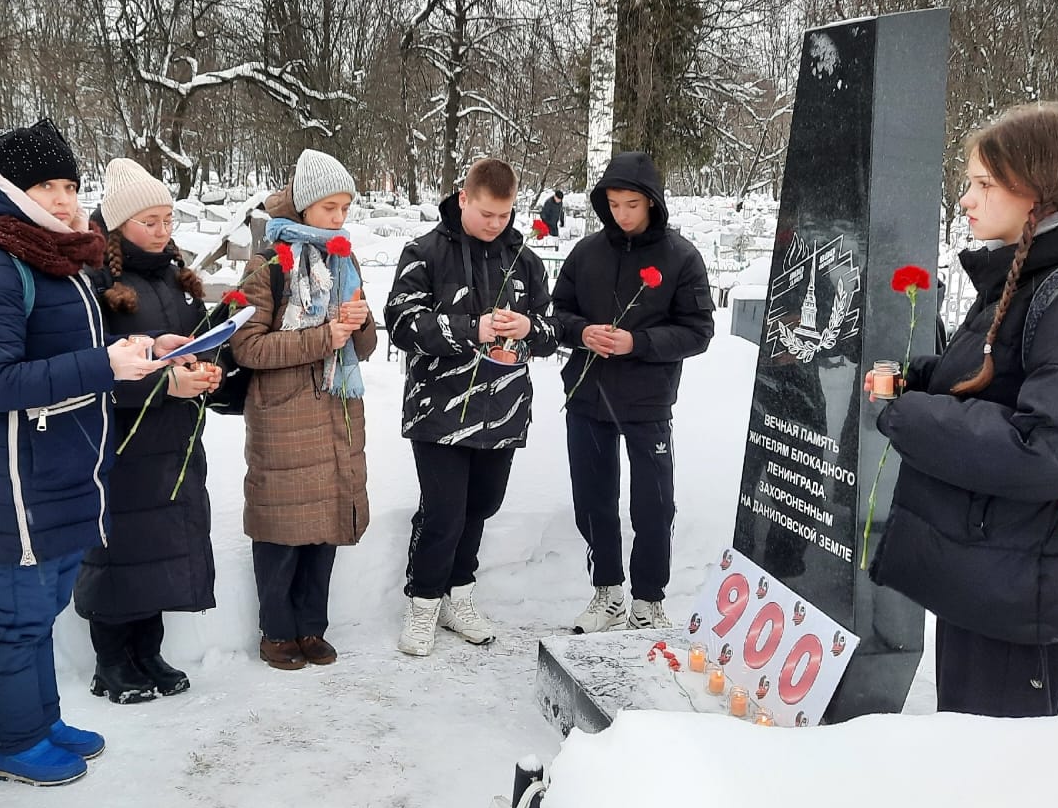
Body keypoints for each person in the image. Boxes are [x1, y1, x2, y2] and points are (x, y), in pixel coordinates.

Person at [867, 102, 1058, 718]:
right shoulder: (1016, 280)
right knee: (970, 743)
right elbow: (994, 380)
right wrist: (916, 382)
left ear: (1034, 192)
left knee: (997, 770)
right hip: (993, 564)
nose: (965, 199)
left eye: (984, 184)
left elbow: (1055, 446)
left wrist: (910, 416)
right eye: (969, 182)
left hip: (1026, 580)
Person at [0, 120, 186, 786]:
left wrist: (145, 350)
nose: (61, 198)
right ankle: (13, 742)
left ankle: (41, 720)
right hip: (18, 477)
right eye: (44, 186)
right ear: (6, 189)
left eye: (68, 185)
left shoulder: (57, 257)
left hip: (67, 468)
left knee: (44, 605)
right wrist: (103, 365)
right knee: (16, 616)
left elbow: (80, 354)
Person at [385, 157, 559, 656]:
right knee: (444, 513)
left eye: (503, 216)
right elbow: (400, 323)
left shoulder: (523, 258)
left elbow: (550, 333)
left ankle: (459, 594)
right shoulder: (424, 252)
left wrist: (526, 333)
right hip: (438, 409)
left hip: (502, 410)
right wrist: (470, 331)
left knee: (481, 508)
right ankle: (423, 603)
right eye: (485, 213)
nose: (495, 224)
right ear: (463, 198)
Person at [76, 158, 221, 705]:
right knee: (120, 546)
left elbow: (192, 342)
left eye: (168, 219)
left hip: (174, 436)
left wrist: (207, 370)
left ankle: (148, 651)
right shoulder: (96, 284)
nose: (163, 232)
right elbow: (94, 370)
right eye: (149, 222)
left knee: (164, 541)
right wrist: (163, 387)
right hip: (121, 441)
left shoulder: (172, 276)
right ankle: (111, 659)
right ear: (117, 226)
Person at [552, 151, 714, 632]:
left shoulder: (681, 257)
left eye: (632, 205)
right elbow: (558, 314)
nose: (622, 214)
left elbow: (698, 330)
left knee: (654, 501)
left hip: (647, 402)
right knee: (594, 499)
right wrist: (581, 333)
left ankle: (648, 599)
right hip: (588, 398)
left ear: (652, 204)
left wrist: (637, 342)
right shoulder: (586, 253)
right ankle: (607, 594)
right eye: (614, 204)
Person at [229, 148, 375, 671]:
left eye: (345, 209)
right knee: (282, 531)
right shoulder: (270, 262)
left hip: (335, 407)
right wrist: (322, 337)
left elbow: (365, 347)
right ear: (306, 205)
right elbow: (248, 348)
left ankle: (312, 627)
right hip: (284, 414)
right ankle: (277, 632)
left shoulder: (343, 257)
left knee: (326, 525)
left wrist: (357, 322)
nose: (339, 219)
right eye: (330, 208)